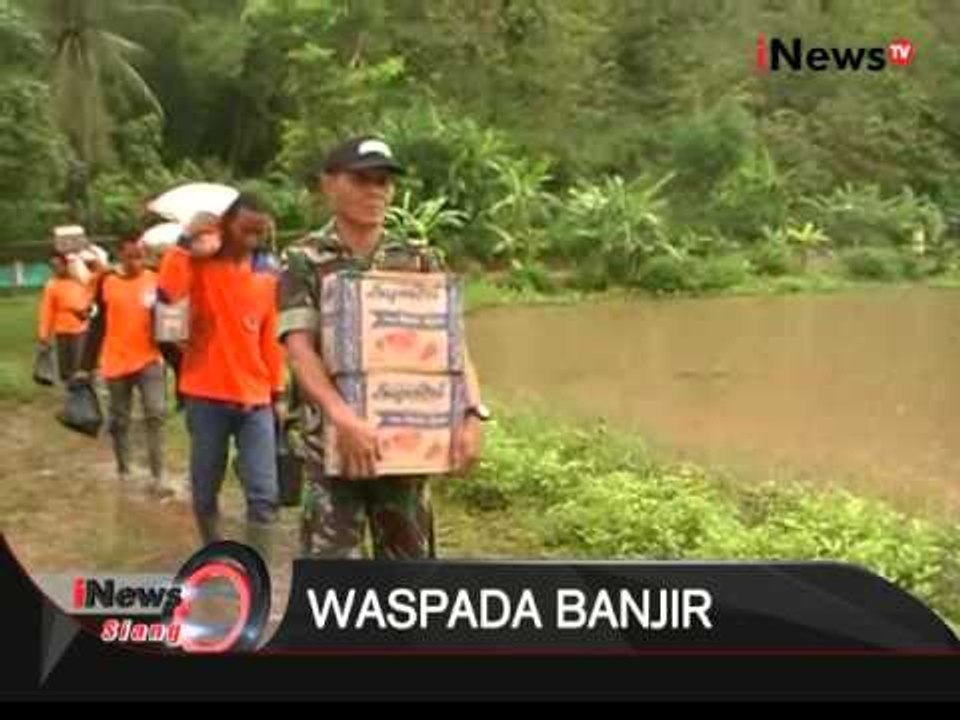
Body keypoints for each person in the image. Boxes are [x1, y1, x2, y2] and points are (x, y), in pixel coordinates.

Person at [279, 136, 490, 560]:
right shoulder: (303, 259)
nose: (375, 191)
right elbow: (300, 351)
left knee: (409, 583)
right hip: (332, 445)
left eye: (384, 181)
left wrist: (472, 412)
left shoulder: (417, 259)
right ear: (329, 184)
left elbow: (451, 347)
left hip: (405, 447)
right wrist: (344, 418)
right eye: (362, 179)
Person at [158, 193, 284, 556]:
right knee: (204, 490)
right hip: (205, 395)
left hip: (256, 400)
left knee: (265, 495)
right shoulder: (196, 267)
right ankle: (213, 556)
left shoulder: (265, 276)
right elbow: (168, 298)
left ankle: (256, 571)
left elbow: (269, 339)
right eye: (246, 231)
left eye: (259, 233)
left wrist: (277, 393)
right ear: (224, 225)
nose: (252, 241)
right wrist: (186, 244)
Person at [83, 234, 170, 496]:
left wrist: (180, 363)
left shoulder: (154, 279)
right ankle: (124, 469)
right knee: (120, 419)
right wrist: (84, 365)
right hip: (116, 361)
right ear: (120, 255)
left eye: (140, 256)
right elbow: (97, 326)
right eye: (130, 256)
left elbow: (168, 322)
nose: (136, 262)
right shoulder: (107, 282)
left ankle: (159, 475)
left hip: (149, 360)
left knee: (156, 413)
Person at [38, 252, 95, 382]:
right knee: (65, 368)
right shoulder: (52, 285)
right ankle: (71, 393)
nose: (56, 269)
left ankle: (85, 393)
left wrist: (87, 313)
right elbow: (46, 311)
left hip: (81, 329)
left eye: (59, 265)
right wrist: (44, 335)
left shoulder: (81, 281)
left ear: (66, 265)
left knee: (81, 365)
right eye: (53, 266)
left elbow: (93, 304)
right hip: (62, 330)